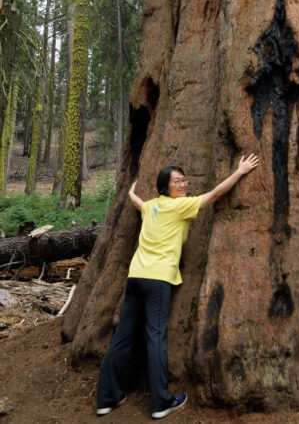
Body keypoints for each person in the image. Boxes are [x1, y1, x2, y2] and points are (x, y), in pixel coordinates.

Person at [96, 153, 259, 419]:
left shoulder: (152, 206)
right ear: (165, 187)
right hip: (158, 279)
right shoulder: (178, 206)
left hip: (136, 277)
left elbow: (138, 204)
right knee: (156, 338)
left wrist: (131, 193)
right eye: (177, 182)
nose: (184, 185)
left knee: (123, 337)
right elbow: (215, 195)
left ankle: (107, 397)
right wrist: (240, 171)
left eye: (184, 181)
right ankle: (161, 402)